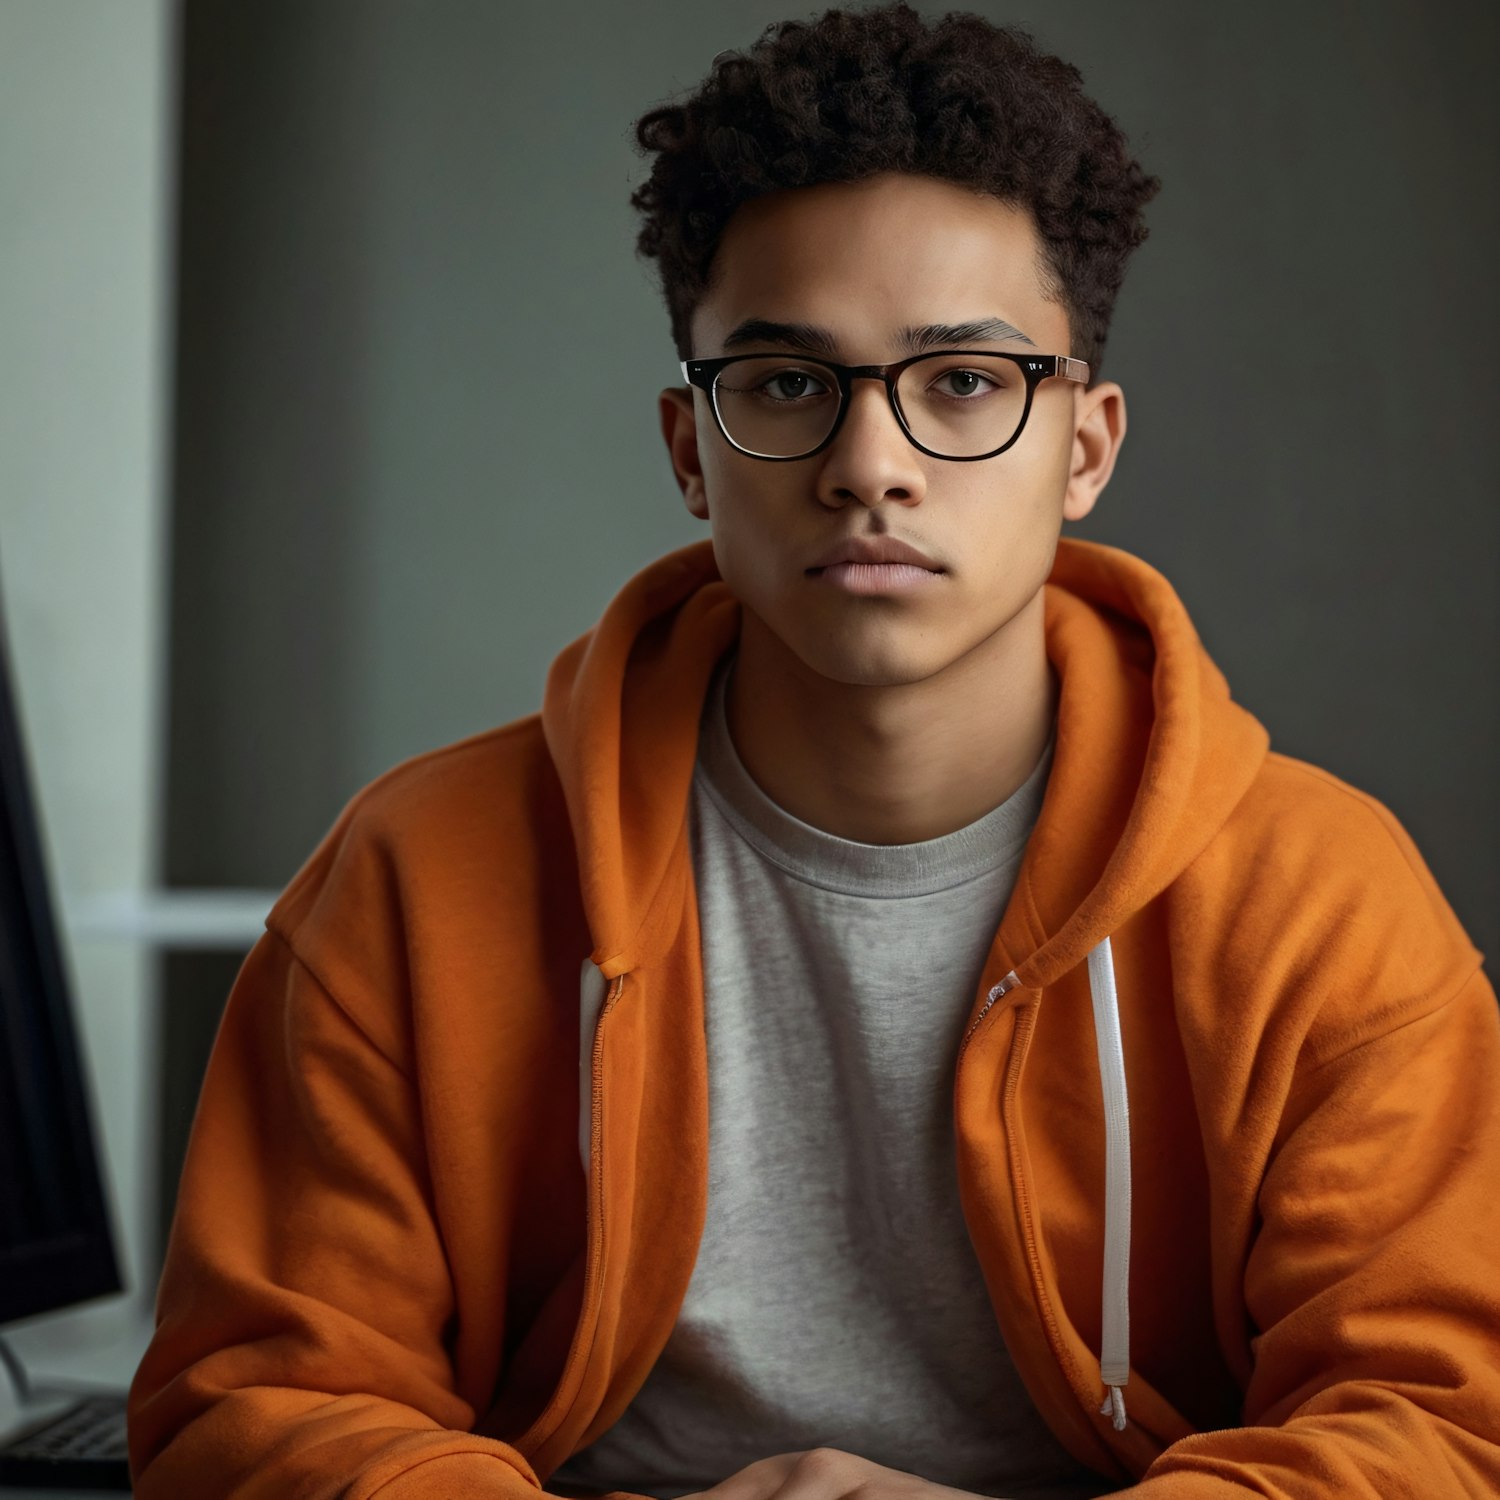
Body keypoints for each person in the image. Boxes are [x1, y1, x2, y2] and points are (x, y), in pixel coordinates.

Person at [127, 5, 1500, 1497]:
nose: (870, 466)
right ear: (686, 451)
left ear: (1087, 447)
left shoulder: (1323, 903)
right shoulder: (415, 878)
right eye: (787, 384)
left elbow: (1440, 1427)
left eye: (963, 384)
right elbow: (255, 1407)